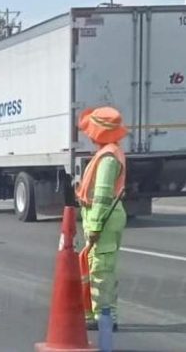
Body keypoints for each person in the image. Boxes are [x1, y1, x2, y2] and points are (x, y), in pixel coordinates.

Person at [75, 106, 128, 331]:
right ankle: (97, 314)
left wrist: (95, 226)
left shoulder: (108, 157)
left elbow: (103, 195)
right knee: (95, 267)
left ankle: (106, 317)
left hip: (104, 220)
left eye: (92, 129)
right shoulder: (106, 152)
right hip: (103, 218)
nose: (88, 134)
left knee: (102, 270)